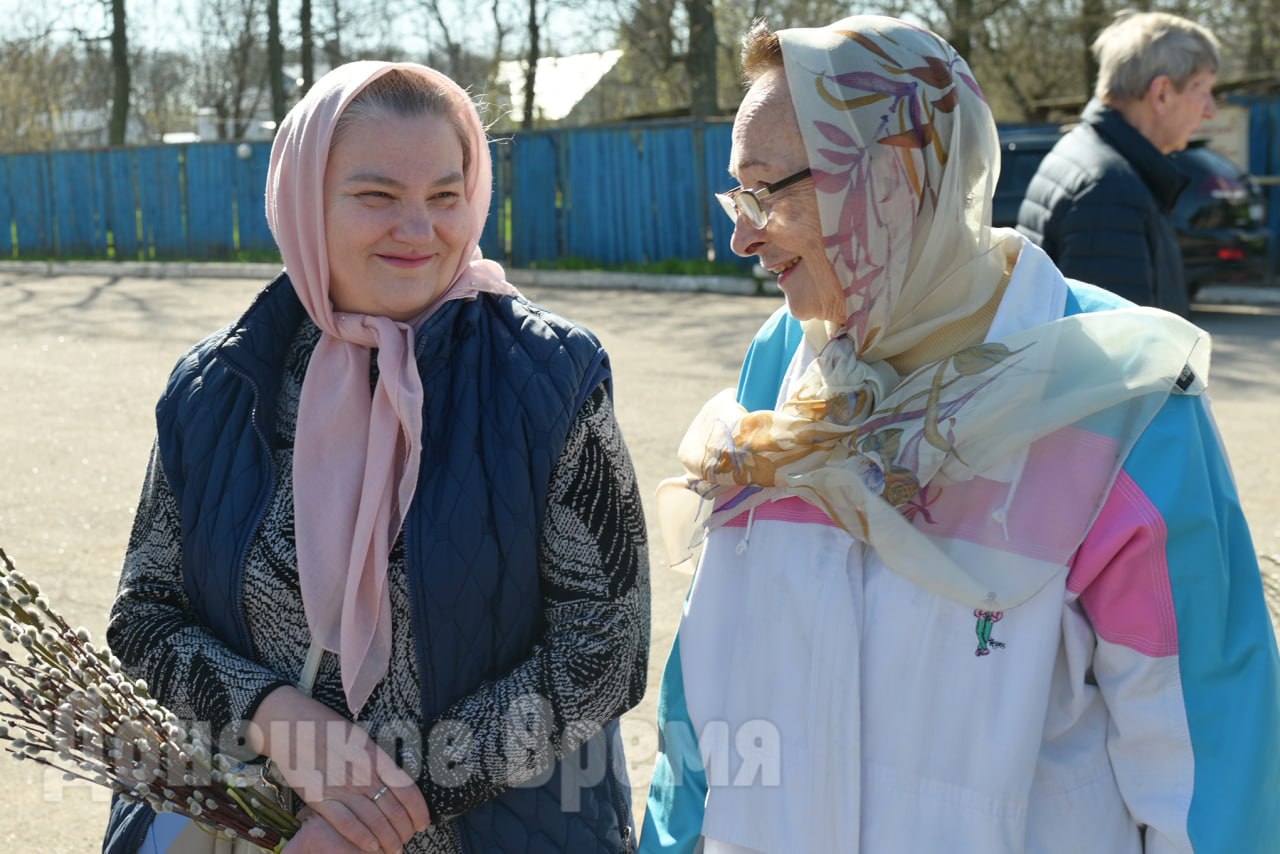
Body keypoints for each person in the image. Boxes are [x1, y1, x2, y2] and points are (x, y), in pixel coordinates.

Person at [641, 14, 1280, 853]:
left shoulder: (1116, 396)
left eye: (767, 192)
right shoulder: (786, 364)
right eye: (737, 194)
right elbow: (706, 675)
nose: (742, 236)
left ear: (896, 176)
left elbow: (1210, 759)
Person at [102, 61, 650, 853]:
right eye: (377, 196)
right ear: (302, 201)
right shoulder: (215, 388)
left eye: (445, 196)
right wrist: (273, 716)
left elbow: (606, 646)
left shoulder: (552, 378)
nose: (419, 231)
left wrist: (385, 809)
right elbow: (145, 617)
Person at [1016, 11, 1220, 316]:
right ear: (1162, 93)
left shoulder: (1090, 157)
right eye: (1203, 90)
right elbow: (1112, 342)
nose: (1211, 110)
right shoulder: (1110, 189)